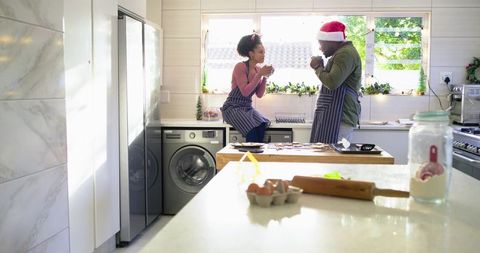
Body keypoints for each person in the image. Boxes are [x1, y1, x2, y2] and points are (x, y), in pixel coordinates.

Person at [309, 21, 362, 144]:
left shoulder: (345, 54)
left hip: (339, 117)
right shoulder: (342, 52)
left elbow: (332, 82)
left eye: (321, 43)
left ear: (332, 41)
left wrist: (317, 67)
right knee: (329, 158)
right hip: (336, 117)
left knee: (334, 158)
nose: (320, 48)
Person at [220, 34, 274, 142]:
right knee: (252, 130)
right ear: (251, 54)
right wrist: (259, 75)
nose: (264, 55)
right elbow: (245, 92)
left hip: (247, 108)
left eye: (264, 52)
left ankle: (256, 157)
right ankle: (250, 158)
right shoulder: (240, 67)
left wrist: (265, 77)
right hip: (232, 108)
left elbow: (259, 94)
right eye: (260, 52)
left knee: (262, 125)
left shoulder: (258, 69)